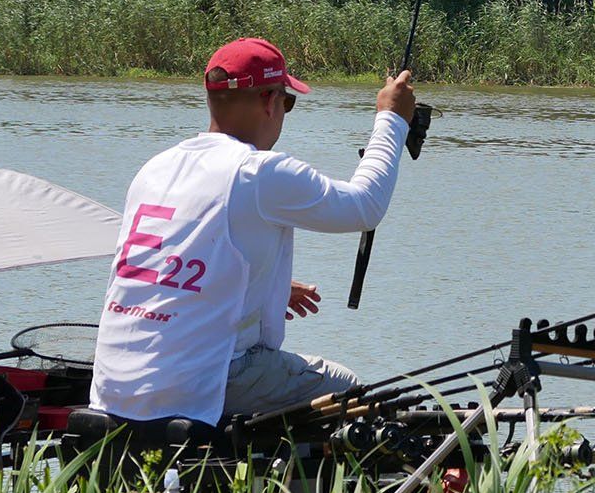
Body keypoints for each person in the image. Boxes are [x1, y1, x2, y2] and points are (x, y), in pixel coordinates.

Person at [89, 37, 415, 428]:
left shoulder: (155, 168)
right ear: (269, 101)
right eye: (287, 102)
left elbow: (162, 267)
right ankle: (305, 491)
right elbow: (365, 206)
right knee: (350, 392)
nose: (283, 112)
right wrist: (392, 119)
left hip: (114, 383)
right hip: (199, 383)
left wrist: (267, 288)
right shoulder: (258, 171)